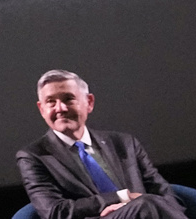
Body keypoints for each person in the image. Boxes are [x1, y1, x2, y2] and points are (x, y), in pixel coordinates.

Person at [16, 69, 185, 219]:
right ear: (42, 109)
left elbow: (162, 191)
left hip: (145, 214)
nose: (60, 108)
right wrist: (122, 197)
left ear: (89, 102)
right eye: (51, 102)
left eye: (68, 99)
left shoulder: (124, 143)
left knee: (150, 204)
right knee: (146, 204)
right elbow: (54, 212)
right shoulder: (33, 157)